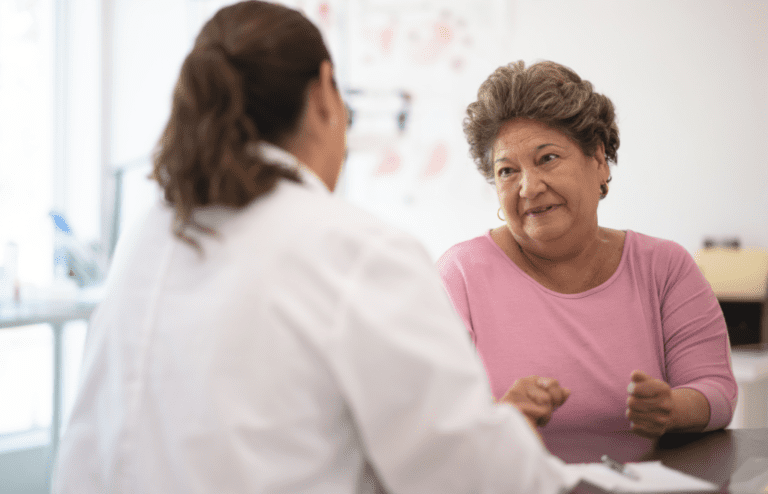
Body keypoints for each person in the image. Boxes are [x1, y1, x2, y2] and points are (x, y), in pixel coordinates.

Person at [52, 4, 578, 493]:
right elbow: (472, 476)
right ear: (326, 92)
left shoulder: (149, 237)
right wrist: (508, 431)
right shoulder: (355, 249)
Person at [437, 60, 737, 439]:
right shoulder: (459, 274)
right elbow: (427, 419)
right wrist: (499, 419)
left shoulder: (665, 267)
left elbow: (716, 389)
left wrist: (672, 409)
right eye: (507, 171)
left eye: (547, 158)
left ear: (597, 160)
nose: (529, 187)